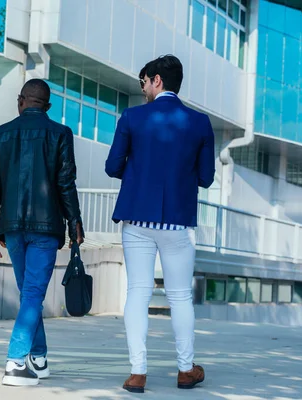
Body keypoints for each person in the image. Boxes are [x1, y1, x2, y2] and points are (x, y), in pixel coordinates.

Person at [105, 55, 215, 393]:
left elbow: (112, 166)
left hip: (136, 218)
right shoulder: (199, 122)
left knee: (137, 291)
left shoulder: (133, 117)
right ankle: (185, 370)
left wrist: (141, 176)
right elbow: (207, 178)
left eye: (144, 83)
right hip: (176, 222)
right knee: (180, 296)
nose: (143, 90)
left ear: (156, 81)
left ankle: (138, 372)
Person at [0, 79, 84, 386]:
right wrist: (74, 222)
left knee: (30, 294)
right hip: (46, 228)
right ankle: (15, 362)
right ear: (47, 106)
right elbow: (66, 184)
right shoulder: (60, 134)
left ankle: (38, 358)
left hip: (11, 229)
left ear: (20, 101)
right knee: (32, 295)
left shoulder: (1, 134)